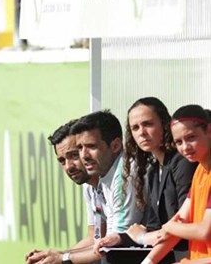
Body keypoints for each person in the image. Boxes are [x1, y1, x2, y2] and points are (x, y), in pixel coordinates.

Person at [26, 110, 142, 264]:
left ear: (114, 146)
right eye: (62, 160)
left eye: (73, 155)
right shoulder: (91, 185)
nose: (69, 166)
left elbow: (110, 245)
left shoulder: (123, 173)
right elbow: (95, 237)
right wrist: (56, 256)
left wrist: (63, 258)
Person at [95, 97, 197, 263]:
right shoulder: (152, 171)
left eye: (148, 124)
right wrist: (120, 238)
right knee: (111, 253)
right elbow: (151, 226)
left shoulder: (183, 162)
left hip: (189, 254)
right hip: (167, 254)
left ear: (164, 124)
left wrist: (142, 237)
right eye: (135, 128)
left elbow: (182, 225)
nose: (141, 132)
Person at [141, 104, 211, 264]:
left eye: (191, 137)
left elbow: (204, 231)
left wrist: (168, 227)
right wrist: (148, 262)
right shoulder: (200, 171)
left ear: (209, 131)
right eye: (178, 142)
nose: (185, 147)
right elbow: (181, 219)